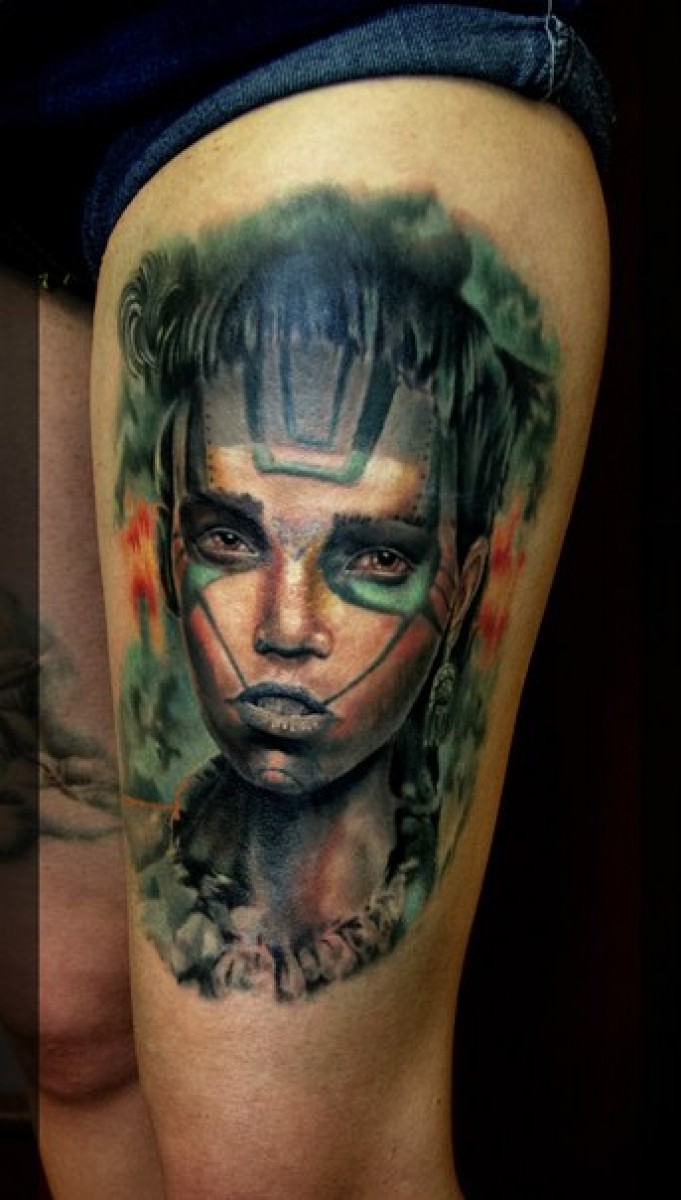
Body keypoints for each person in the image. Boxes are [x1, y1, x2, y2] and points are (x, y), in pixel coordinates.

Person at [0, 4, 614, 1197]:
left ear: (461, 585)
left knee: (280, 1159)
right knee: (80, 1038)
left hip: (301, 30)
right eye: (228, 538)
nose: (284, 630)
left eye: (372, 557)